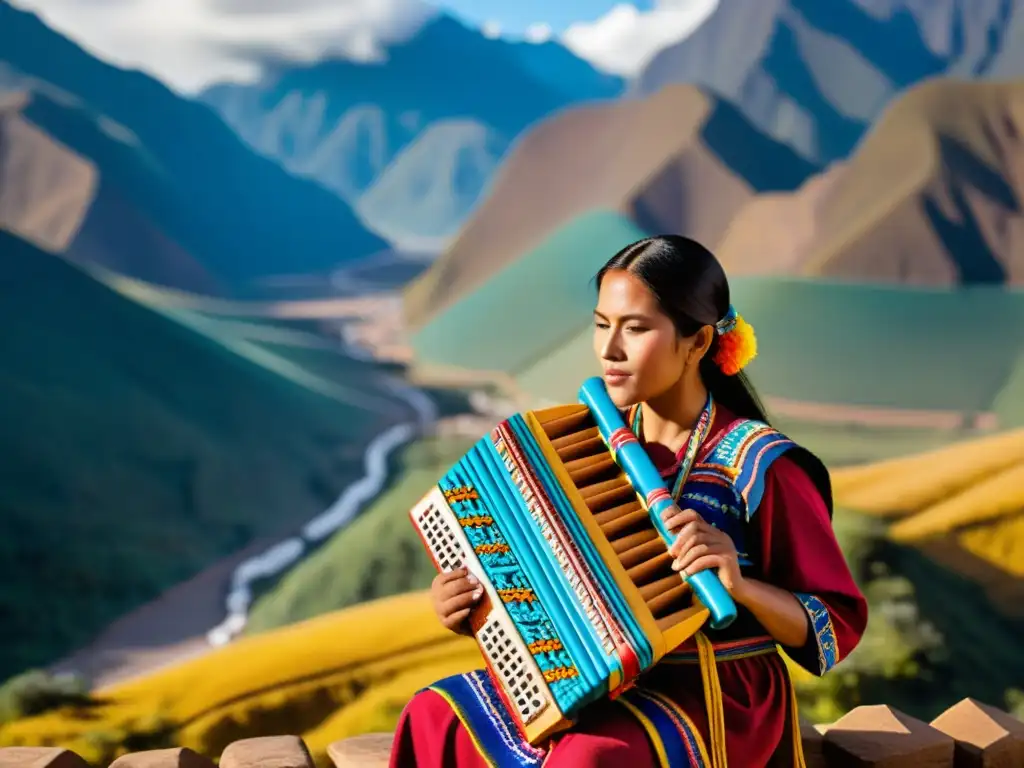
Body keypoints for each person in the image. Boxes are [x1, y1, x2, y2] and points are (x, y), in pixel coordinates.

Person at [389, 235, 869, 768]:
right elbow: (550, 582)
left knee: (586, 761)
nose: (608, 350)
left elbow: (835, 627)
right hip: (601, 687)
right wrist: (472, 603)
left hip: (713, 696)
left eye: (635, 328)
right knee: (432, 713)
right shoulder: (586, 446)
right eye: (601, 324)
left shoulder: (763, 465)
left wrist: (740, 586)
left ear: (698, 342)